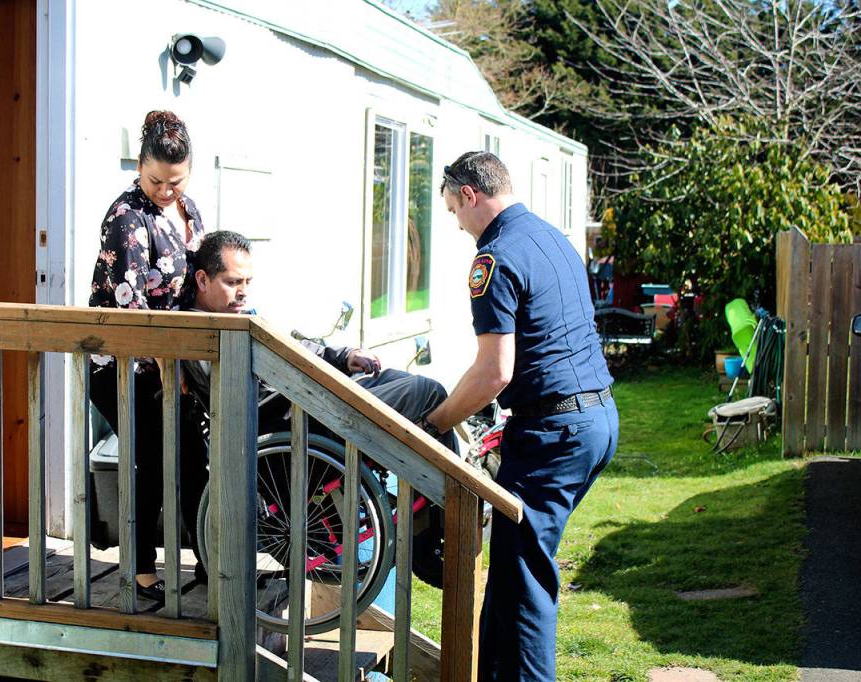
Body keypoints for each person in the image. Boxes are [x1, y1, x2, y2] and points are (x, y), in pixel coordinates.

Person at [421, 151, 619, 680]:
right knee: (512, 572)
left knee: (525, 580)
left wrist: (436, 421)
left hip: (554, 434)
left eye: (452, 211)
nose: (457, 225)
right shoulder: (552, 238)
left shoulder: (495, 258)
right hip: (597, 419)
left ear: (469, 194)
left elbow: (494, 372)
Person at [178, 230, 458, 454]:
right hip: (304, 419)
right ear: (203, 280)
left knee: (392, 377)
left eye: (248, 282)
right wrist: (315, 381)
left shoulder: (236, 319)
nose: (244, 292)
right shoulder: (201, 334)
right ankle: (445, 510)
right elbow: (254, 399)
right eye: (233, 282)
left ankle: (435, 505)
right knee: (427, 392)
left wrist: (342, 358)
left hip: (314, 403)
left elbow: (287, 347)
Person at [88, 110, 208, 602]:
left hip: (174, 359)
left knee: (194, 460)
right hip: (128, 364)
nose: (165, 189)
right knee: (152, 461)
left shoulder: (190, 209)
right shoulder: (126, 217)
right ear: (140, 167)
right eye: (156, 179)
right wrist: (168, 369)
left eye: (174, 181)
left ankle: (209, 557)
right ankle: (139, 570)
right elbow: (130, 305)